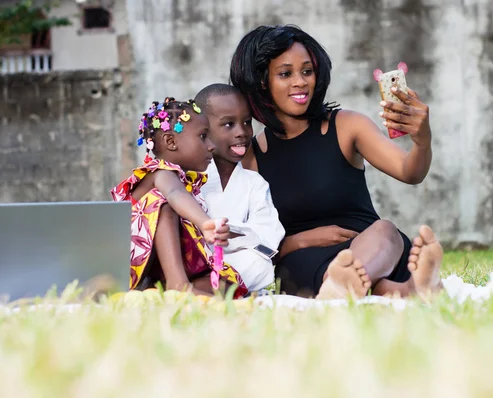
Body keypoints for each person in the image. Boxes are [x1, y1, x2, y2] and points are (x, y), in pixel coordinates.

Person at [229, 24, 444, 299]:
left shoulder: (346, 126)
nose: (301, 82)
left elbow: (410, 172)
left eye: (307, 71)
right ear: (261, 82)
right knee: (294, 270)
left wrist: (422, 140)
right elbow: (250, 242)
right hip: (303, 263)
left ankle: (345, 287)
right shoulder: (252, 154)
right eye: (286, 74)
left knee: (386, 231)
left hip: (376, 251)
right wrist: (303, 240)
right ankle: (410, 290)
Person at [110, 97, 248, 298]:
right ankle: (178, 285)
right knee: (164, 203)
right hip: (129, 267)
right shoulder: (160, 173)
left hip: (156, 275)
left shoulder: (184, 180)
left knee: (226, 286)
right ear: (171, 142)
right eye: (203, 136)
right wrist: (205, 223)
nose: (211, 146)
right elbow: (175, 194)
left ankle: (167, 289)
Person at [195, 83, 285, 293]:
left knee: (261, 265)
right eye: (228, 124)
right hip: (198, 262)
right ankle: (207, 287)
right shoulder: (191, 177)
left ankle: (205, 290)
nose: (242, 132)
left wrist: (232, 233)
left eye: (246, 122)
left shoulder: (255, 183)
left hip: (237, 264)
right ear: (204, 131)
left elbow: (269, 233)